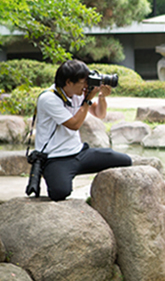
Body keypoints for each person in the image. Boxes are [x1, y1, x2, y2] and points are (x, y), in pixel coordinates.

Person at [33, 59, 131, 201]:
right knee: (60, 192)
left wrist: (101, 97)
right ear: (68, 82)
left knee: (124, 160)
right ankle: (53, 173)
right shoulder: (49, 98)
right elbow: (74, 125)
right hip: (56, 157)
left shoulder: (77, 92)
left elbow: (99, 114)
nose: (86, 86)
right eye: (83, 82)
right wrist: (87, 100)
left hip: (79, 152)